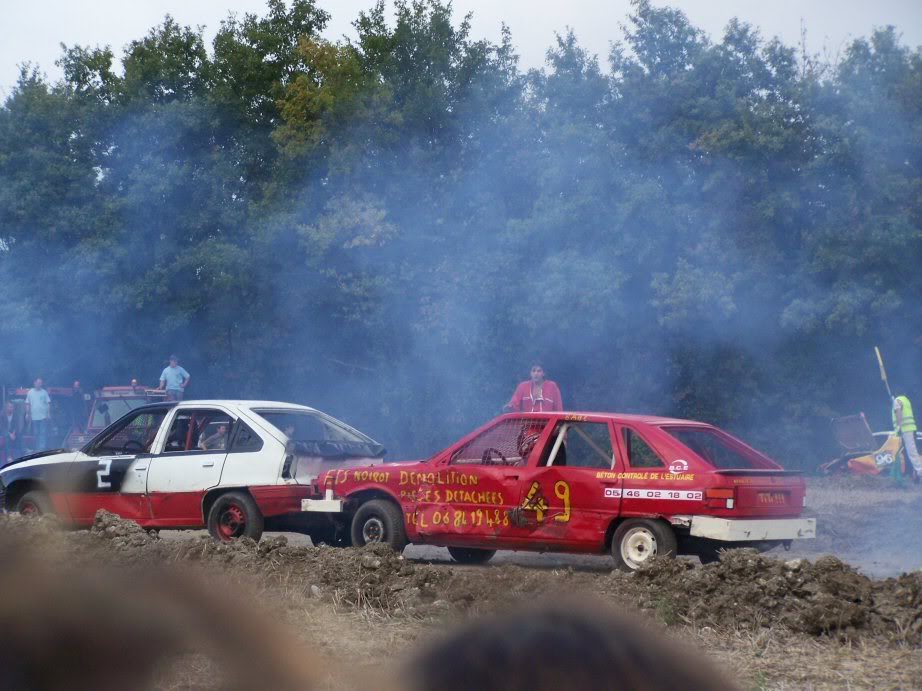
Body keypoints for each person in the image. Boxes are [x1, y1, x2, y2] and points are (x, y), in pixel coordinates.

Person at [893, 393, 922, 481]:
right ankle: (914, 473)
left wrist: (898, 426)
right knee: (911, 452)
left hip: (906, 430)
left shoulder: (897, 400)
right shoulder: (906, 400)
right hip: (911, 429)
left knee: (912, 452)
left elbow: (898, 412)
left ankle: (920, 473)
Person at [25, 377, 52, 451]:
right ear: (35, 383)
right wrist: (27, 414)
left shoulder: (44, 392)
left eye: (41, 383)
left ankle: (41, 448)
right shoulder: (30, 392)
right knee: (36, 433)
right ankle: (37, 448)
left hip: (43, 416)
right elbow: (27, 404)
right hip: (34, 417)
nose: (40, 384)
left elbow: (48, 403)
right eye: (39, 382)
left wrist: (48, 414)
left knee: (43, 433)